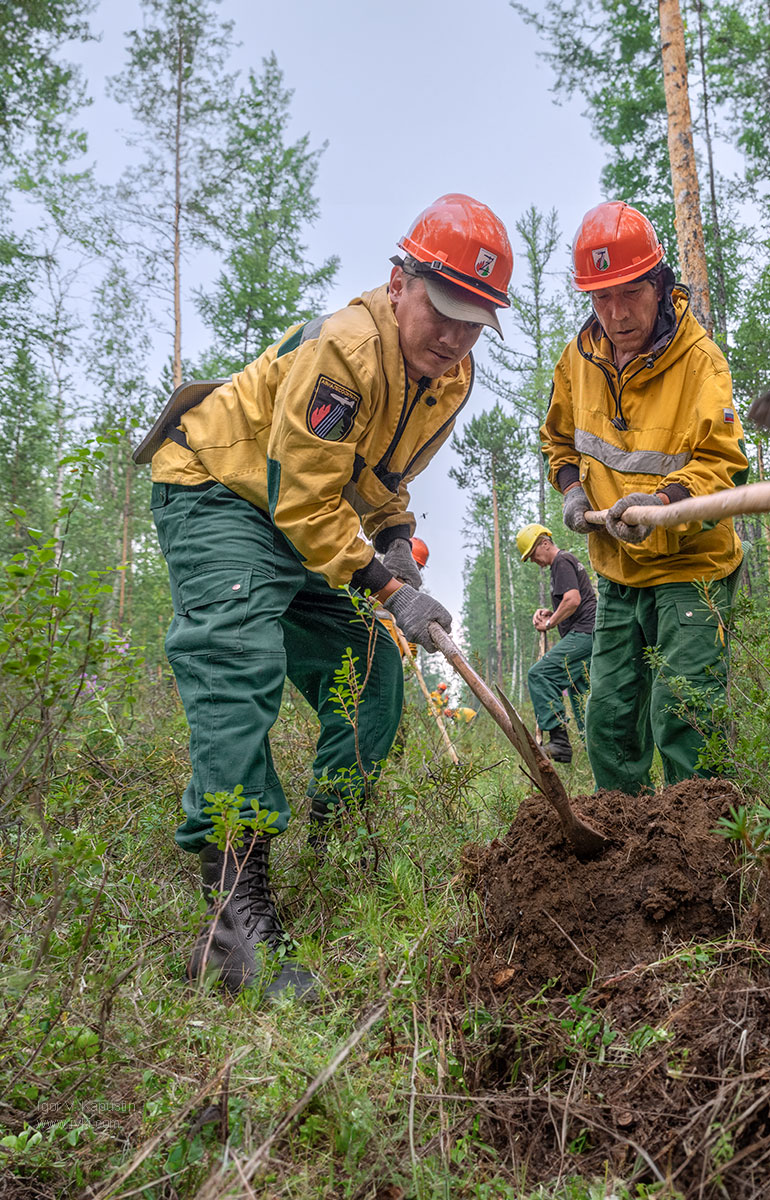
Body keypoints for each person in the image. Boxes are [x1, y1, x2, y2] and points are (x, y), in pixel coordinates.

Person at [141, 194, 512, 999]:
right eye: (444, 311)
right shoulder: (345, 352)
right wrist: (385, 583)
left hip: (299, 515)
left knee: (370, 667)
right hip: (220, 491)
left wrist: (395, 537)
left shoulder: (449, 379)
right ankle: (233, 929)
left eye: (474, 322)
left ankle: (338, 846)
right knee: (239, 655)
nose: (454, 337)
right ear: (399, 284)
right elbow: (307, 500)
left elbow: (378, 477)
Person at [540, 201, 748, 795]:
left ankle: (703, 837)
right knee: (608, 719)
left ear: (659, 284)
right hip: (617, 572)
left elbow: (723, 464)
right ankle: (623, 838)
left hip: (691, 566)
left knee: (683, 714)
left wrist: (663, 505)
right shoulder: (577, 361)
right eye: (601, 298)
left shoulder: (700, 362)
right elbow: (559, 441)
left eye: (630, 293)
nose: (616, 313)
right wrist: (572, 492)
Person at [516, 524, 596, 764]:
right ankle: (596, 755)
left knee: (540, 674)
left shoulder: (561, 561)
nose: (533, 561)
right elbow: (572, 603)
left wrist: (550, 623)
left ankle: (559, 742)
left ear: (545, 543)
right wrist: (552, 613)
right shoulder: (563, 564)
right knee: (582, 699)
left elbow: (573, 600)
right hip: (589, 634)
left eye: (532, 555)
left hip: (584, 634)